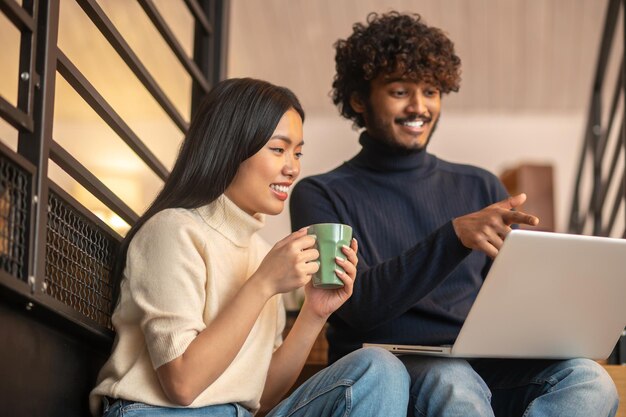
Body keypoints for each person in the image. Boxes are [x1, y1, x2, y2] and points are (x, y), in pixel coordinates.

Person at [290, 11, 619, 417]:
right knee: (455, 381)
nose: (419, 106)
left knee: (589, 381)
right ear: (359, 99)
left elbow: (508, 300)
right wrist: (452, 238)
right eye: (399, 91)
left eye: (431, 90)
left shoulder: (479, 187)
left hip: (480, 361)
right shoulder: (321, 194)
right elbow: (354, 309)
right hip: (389, 367)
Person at [89, 78, 410, 417]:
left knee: (380, 368)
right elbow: (181, 383)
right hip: (159, 412)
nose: (293, 168)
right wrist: (262, 284)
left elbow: (264, 396)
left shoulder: (262, 253)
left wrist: (314, 313)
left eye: (298, 153)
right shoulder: (172, 231)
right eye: (278, 149)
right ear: (231, 147)